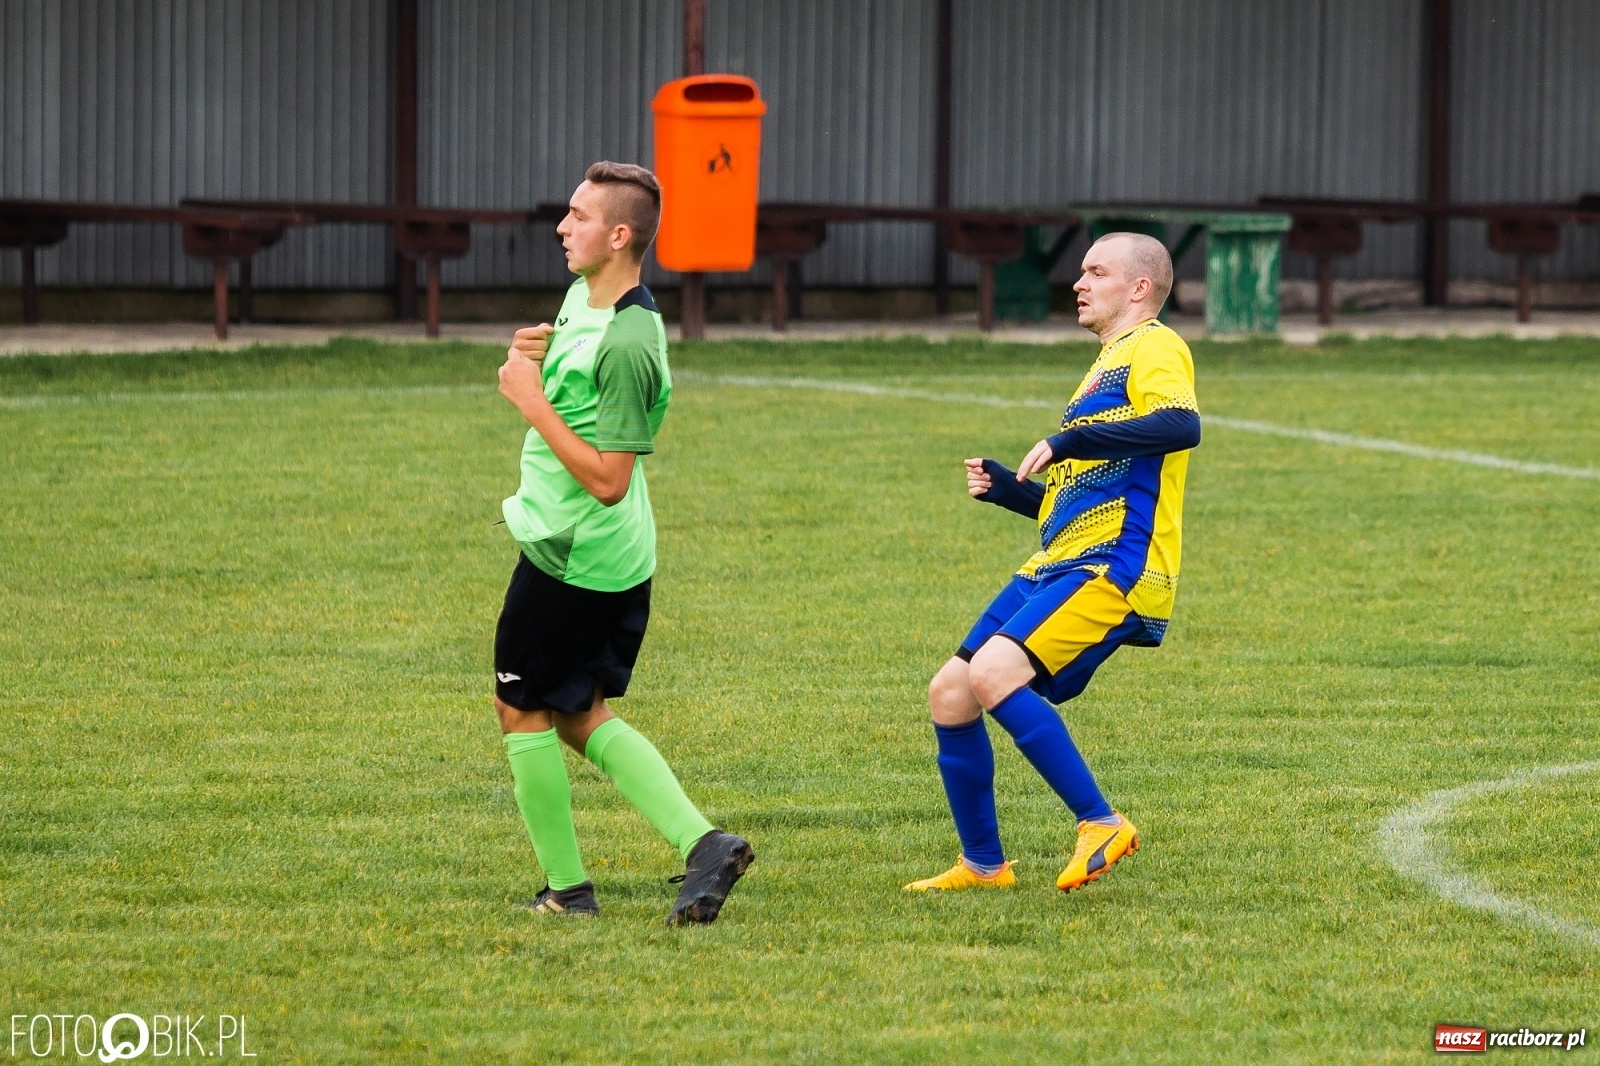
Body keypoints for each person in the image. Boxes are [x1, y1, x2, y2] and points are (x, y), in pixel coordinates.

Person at [493, 161, 752, 924]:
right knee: (578, 712)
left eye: (577, 215)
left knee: (521, 707)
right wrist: (534, 359)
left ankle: (568, 892)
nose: (561, 226)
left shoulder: (630, 340)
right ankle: (704, 845)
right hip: (595, 548)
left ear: (619, 234)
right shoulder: (583, 296)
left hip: (577, 552)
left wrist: (531, 402)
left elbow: (609, 476)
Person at [906, 232, 1200, 894]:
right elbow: (1092, 492)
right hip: (1058, 560)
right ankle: (984, 865)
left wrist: (1071, 437)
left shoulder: (1155, 346)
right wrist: (1015, 493)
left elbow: (1182, 426)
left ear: (1140, 289)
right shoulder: (1107, 363)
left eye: (1096, 271)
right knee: (950, 691)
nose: (1078, 282)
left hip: (1115, 566)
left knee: (994, 671)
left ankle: (1100, 822)